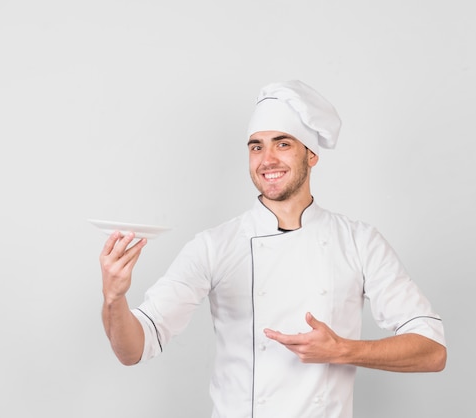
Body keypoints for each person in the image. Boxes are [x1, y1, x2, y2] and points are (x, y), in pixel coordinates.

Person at [99, 80, 447, 418]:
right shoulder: (214, 246)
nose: (267, 159)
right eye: (256, 146)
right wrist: (114, 298)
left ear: (311, 155)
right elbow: (134, 349)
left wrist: (343, 350)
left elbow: (432, 352)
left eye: (282, 144)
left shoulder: (358, 242)